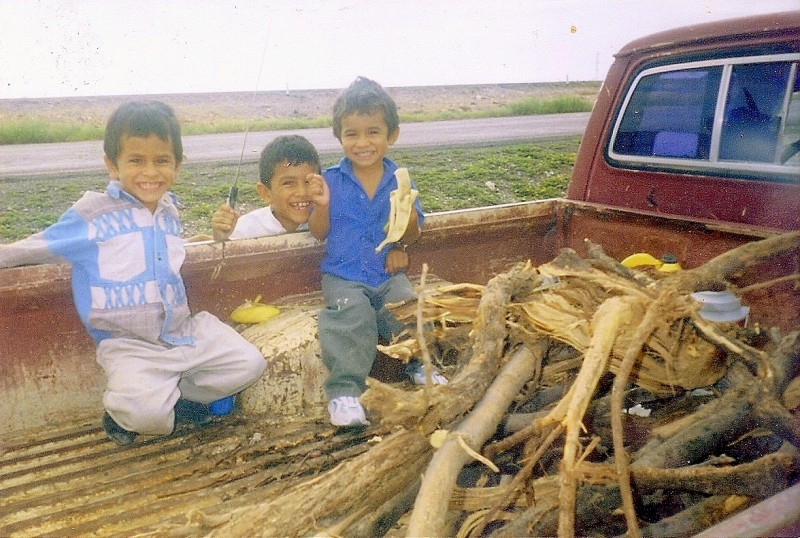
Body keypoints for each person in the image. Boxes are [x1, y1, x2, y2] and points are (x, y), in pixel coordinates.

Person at [0, 100, 266, 446]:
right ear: (112, 165)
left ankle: (179, 395)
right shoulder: (92, 215)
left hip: (182, 333)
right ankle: (127, 411)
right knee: (148, 418)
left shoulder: (169, 211)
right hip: (128, 345)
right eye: (136, 160)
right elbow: (31, 247)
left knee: (249, 364)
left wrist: (215, 237)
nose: (150, 172)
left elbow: (173, 250)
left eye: (161, 161)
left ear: (177, 165)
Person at [308, 76, 447, 429]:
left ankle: (423, 367)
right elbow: (317, 232)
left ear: (392, 135)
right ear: (339, 136)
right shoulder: (331, 179)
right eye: (351, 134)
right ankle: (344, 394)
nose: (362, 142)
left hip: (386, 275)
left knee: (408, 307)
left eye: (373, 132)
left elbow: (411, 231)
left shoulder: (400, 179)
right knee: (349, 317)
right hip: (343, 275)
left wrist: (401, 244)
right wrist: (322, 204)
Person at [210, 134, 321, 241]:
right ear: (266, 193)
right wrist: (221, 240)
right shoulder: (245, 229)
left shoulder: (327, 221)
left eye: (308, 181)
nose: (302, 192)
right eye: (288, 183)